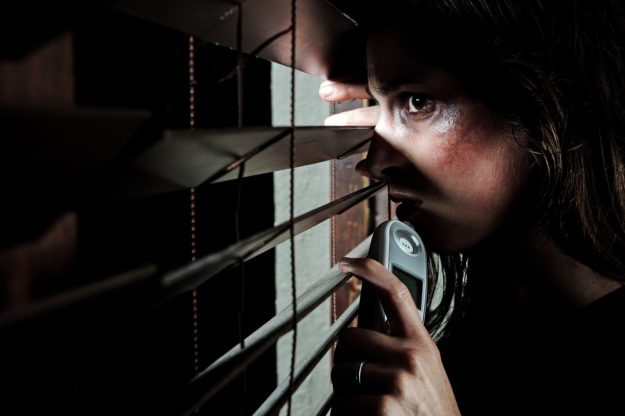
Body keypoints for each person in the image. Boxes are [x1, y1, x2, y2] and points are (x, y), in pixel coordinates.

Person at [319, 0, 625, 414]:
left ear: (541, 101)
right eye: (377, 105)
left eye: (418, 103)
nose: (372, 164)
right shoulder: (489, 331)